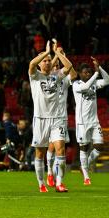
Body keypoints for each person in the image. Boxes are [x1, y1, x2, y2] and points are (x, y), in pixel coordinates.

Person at [28, 40, 73, 193]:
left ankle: (59, 183)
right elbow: (32, 64)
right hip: (40, 119)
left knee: (61, 148)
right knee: (40, 153)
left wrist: (58, 53)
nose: (47, 62)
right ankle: (41, 184)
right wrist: (46, 52)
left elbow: (68, 67)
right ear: (41, 63)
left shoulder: (56, 76)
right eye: (44, 61)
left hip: (57, 119)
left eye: (48, 61)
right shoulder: (35, 76)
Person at [72, 57, 109, 185]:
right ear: (79, 73)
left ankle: (85, 165)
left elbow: (107, 80)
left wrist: (99, 68)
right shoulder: (76, 85)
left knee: (99, 147)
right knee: (84, 147)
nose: (88, 74)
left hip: (94, 121)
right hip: (82, 123)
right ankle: (86, 177)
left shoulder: (93, 83)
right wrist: (96, 73)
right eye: (85, 72)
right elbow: (86, 86)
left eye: (89, 72)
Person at [45, 46, 77, 187]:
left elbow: (74, 74)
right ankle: (49, 173)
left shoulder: (63, 79)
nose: (56, 67)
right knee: (51, 148)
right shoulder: (45, 78)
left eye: (58, 65)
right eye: (54, 65)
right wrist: (56, 55)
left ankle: (59, 182)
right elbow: (48, 68)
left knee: (60, 149)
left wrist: (63, 56)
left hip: (61, 119)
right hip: (47, 118)